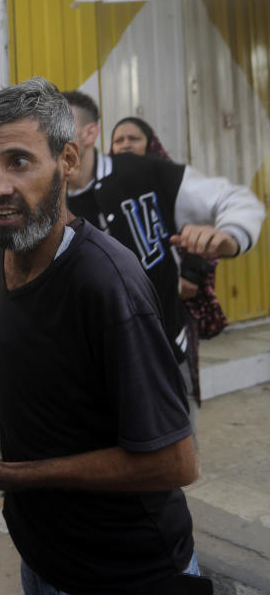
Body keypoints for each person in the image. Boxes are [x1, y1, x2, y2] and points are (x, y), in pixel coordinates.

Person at [0, 77, 202, 593]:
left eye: (19, 161)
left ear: (69, 162)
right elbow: (29, 325)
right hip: (42, 558)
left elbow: (175, 462)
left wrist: (0, 474)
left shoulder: (109, 286)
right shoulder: (5, 238)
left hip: (126, 573)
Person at [0, 90, 265, 428]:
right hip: (84, 367)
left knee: (165, 442)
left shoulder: (145, 173)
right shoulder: (44, 200)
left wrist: (231, 235)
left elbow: (235, 200)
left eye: (18, 160)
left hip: (159, 353)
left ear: (82, 141)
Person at [109, 115, 230, 410]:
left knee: (177, 387)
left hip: (174, 303)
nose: (125, 145)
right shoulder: (106, 189)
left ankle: (184, 448)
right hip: (129, 309)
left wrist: (189, 275)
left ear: (149, 144)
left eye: (133, 139)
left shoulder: (170, 183)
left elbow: (204, 225)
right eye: (118, 140)